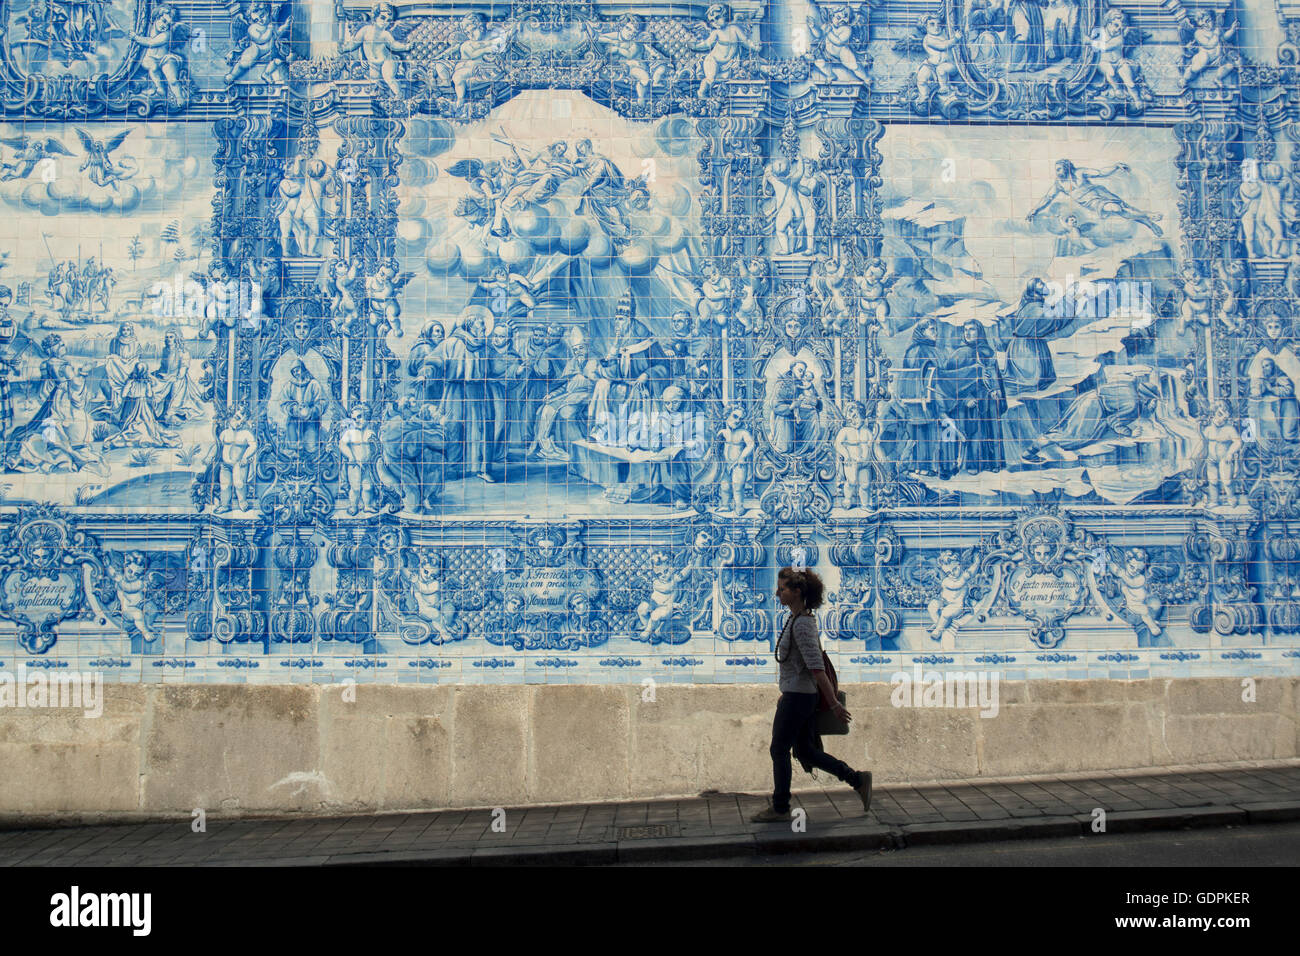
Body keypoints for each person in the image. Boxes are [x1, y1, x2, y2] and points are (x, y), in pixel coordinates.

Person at [752, 567, 873, 823]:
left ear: (797, 592)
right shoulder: (797, 620)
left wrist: (834, 705)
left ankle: (781, 808)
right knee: (805, 751)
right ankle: (857, 779)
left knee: (779, 749)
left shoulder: (803, 625)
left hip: (799, 698)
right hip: (795, 695)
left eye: (783, 588)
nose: (778, 592)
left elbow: (817, 670)